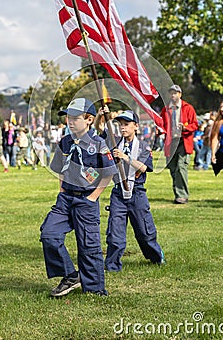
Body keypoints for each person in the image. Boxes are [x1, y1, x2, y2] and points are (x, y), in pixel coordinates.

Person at [40, 98, 117, 297]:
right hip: (66, 198)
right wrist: (62, 190)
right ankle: (70, 274)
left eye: (75, 118)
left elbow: (108, 173)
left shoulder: (98, 144)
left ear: (89, 120)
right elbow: (60, 169)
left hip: (86, 199)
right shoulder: (65, 142)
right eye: (68, 117)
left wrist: (93, 197)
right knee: (49, 234)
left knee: (88, 245)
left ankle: (94, 289)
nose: (70, 122)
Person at [95, 108, 166, 272]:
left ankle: (156, 256)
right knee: (115, 233)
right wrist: (101, 115)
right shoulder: (114, 141)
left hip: (137, 193)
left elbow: (144, 167)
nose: (122, 128)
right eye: (120, 124)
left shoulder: (143, 146)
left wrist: (125, 157)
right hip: (119, 193)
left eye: (126, 124)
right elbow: (100, 128)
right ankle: (112, 266)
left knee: (144, 232)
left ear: (136, 126)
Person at [160, 84, 198, 204]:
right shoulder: (166, 109)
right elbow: (162, 124)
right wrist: (159, 130)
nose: (173, 95)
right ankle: (178, 193)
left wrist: (186, 128)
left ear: (180, 94)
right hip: (171, 142)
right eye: (171, 93)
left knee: (181, 168)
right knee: (172, 168)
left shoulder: (188, 108)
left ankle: (182, 195)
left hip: (183, 141)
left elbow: (195, 125)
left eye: (175, 93)